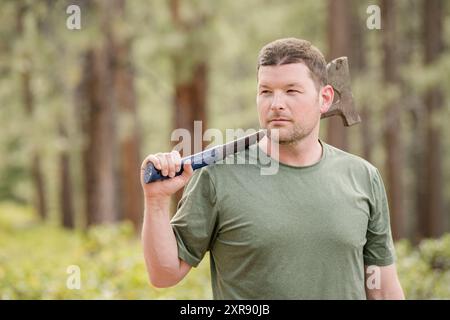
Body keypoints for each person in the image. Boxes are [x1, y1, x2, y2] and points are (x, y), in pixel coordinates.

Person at [140, 38, 405, 299]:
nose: (276, 103)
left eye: (291, 91)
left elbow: (382, 290)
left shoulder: (362, 177)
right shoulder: (217, 176)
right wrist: (156, 201)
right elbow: (164, 274)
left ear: (325, 98)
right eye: (266, 91)